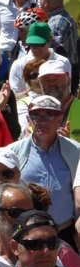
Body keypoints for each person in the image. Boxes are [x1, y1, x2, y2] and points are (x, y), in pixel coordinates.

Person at [8, 95, 80, 246]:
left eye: (49, 115)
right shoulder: (13, 152)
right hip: (26, 234)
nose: (41, 121)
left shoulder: (76, 151)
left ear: (60, 119)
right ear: (29, 119)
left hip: (65, 233)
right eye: (36, 115)